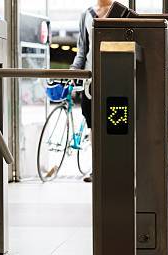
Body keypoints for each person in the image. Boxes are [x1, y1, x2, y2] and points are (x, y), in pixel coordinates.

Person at [70, 0, 114, 182]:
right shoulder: (87, 14)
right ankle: (98, 168)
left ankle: (116, 165)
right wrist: (75, 69)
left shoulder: (121, 12)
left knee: (114, 125)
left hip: (115, 77)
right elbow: (83, 48)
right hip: (91, 80)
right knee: (93, 126)